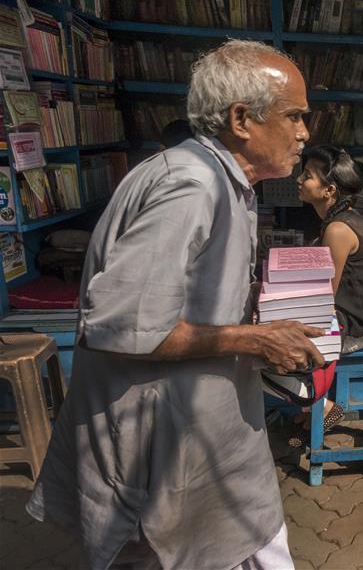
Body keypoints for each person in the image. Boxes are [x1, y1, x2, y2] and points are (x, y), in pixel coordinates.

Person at [26, 40, 323, 570]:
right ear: (241, 119)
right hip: (158, 442)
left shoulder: (223, 180)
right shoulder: (191, 183)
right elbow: (124, 325)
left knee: (249, 540)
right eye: (294, 116)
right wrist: (255, 339)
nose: (305, 132)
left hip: (202, 431)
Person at [264, 145, 363, 433]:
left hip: (359, 327)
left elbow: (325, 296)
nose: (299, 180)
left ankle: (322, 406)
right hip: (349, 316)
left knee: (262, 352)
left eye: (308, 176)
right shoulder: (337, 221)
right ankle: (311, 410)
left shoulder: (338, 230)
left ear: (329, 190)